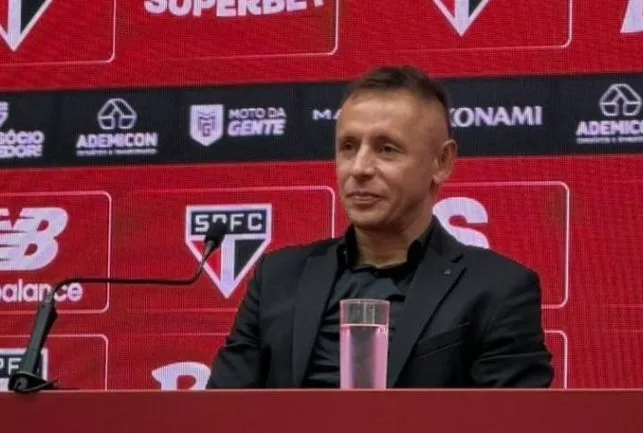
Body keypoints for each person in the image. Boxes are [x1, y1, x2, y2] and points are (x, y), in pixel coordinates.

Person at [206, 65, 554, 388]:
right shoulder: (278, 278)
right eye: (348, 147)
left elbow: (511, 420)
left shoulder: (497, 289)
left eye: (386, 149)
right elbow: (221, 413)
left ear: (442, 162)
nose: (359, 168)